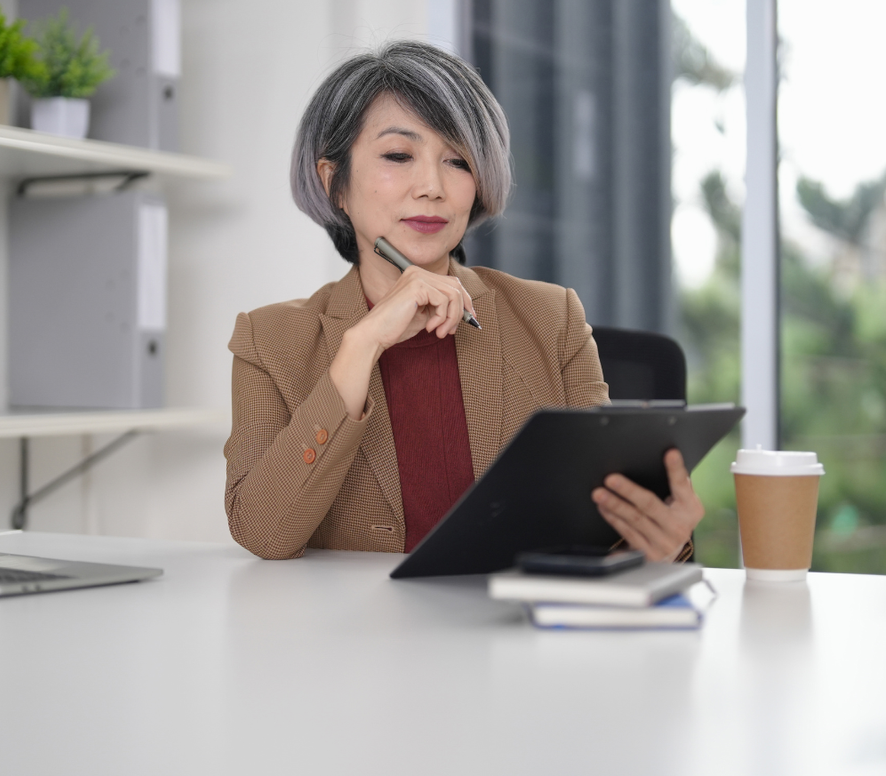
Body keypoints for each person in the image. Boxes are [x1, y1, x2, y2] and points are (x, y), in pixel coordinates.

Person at [224, 41, 702, 562]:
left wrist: (663, 538)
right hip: (354, 639)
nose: (432, 186)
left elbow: (608, 521)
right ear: (332, 181)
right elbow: (264, 533)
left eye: (457, 161)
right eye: (398, 155)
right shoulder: (269, 341)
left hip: (509, 633)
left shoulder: (550, 320)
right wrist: (361, 346)